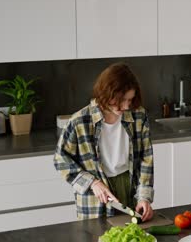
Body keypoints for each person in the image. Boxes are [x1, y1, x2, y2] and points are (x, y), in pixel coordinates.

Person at [54, 62, 154, 221]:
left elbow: (145, 158)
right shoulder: (79, 121)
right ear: (106, 93)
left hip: (129, 186)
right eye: (121, 100)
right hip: (95, 195)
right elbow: (61, 160)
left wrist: (143, 197)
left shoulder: (138, 116)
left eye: (130, 99)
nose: (126, 106)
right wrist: (92, 183)